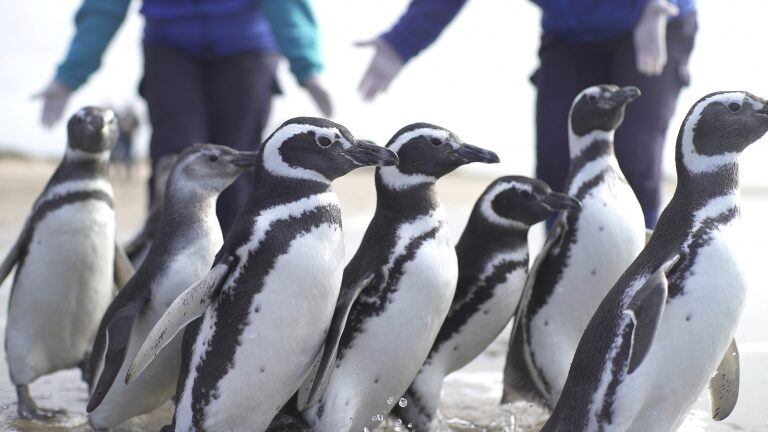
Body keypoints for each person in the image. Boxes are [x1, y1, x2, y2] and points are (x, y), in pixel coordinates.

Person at [357, 0, 697, 228]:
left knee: (635, 158)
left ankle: (647, 278)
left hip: (654, 20)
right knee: (555, 164)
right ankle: (557, 281)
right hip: (569, 35)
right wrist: (397, 45)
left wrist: (660, 5)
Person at [36, 0, 332, 232]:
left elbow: (286, 3)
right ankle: (163, 274)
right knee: (176, 165)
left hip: (247, 45)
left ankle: (235, 272)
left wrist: (307, 67)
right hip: (169, 44)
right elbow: (104, 7)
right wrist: (69, 75)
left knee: (238, 164)